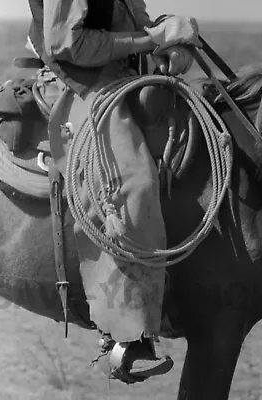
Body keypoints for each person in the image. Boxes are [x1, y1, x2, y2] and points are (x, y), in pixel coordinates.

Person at [27, 0, 201, 383]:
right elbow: (65, 43)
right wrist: (150, 39)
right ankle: (123, 337)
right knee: (132, 186)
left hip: (117, 75)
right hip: (78, 80)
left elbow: (133, 22)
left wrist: (171, 37)